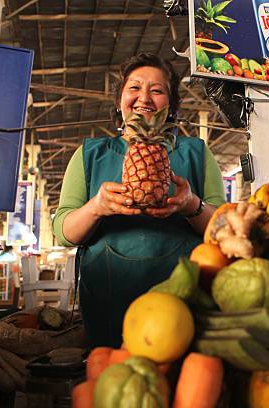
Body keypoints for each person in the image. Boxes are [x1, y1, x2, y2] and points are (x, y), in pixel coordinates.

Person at [52, 53, 226, 347]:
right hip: (108, 298)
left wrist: (192, 205)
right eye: (134, 88)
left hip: (183, 298)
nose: (144, 97)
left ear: (170, 105)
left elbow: (223, 228)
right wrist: (96, 207)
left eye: (157, 90)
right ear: (120, 100)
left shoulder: (196, 152)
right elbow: (63, 233)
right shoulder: (90, 154)